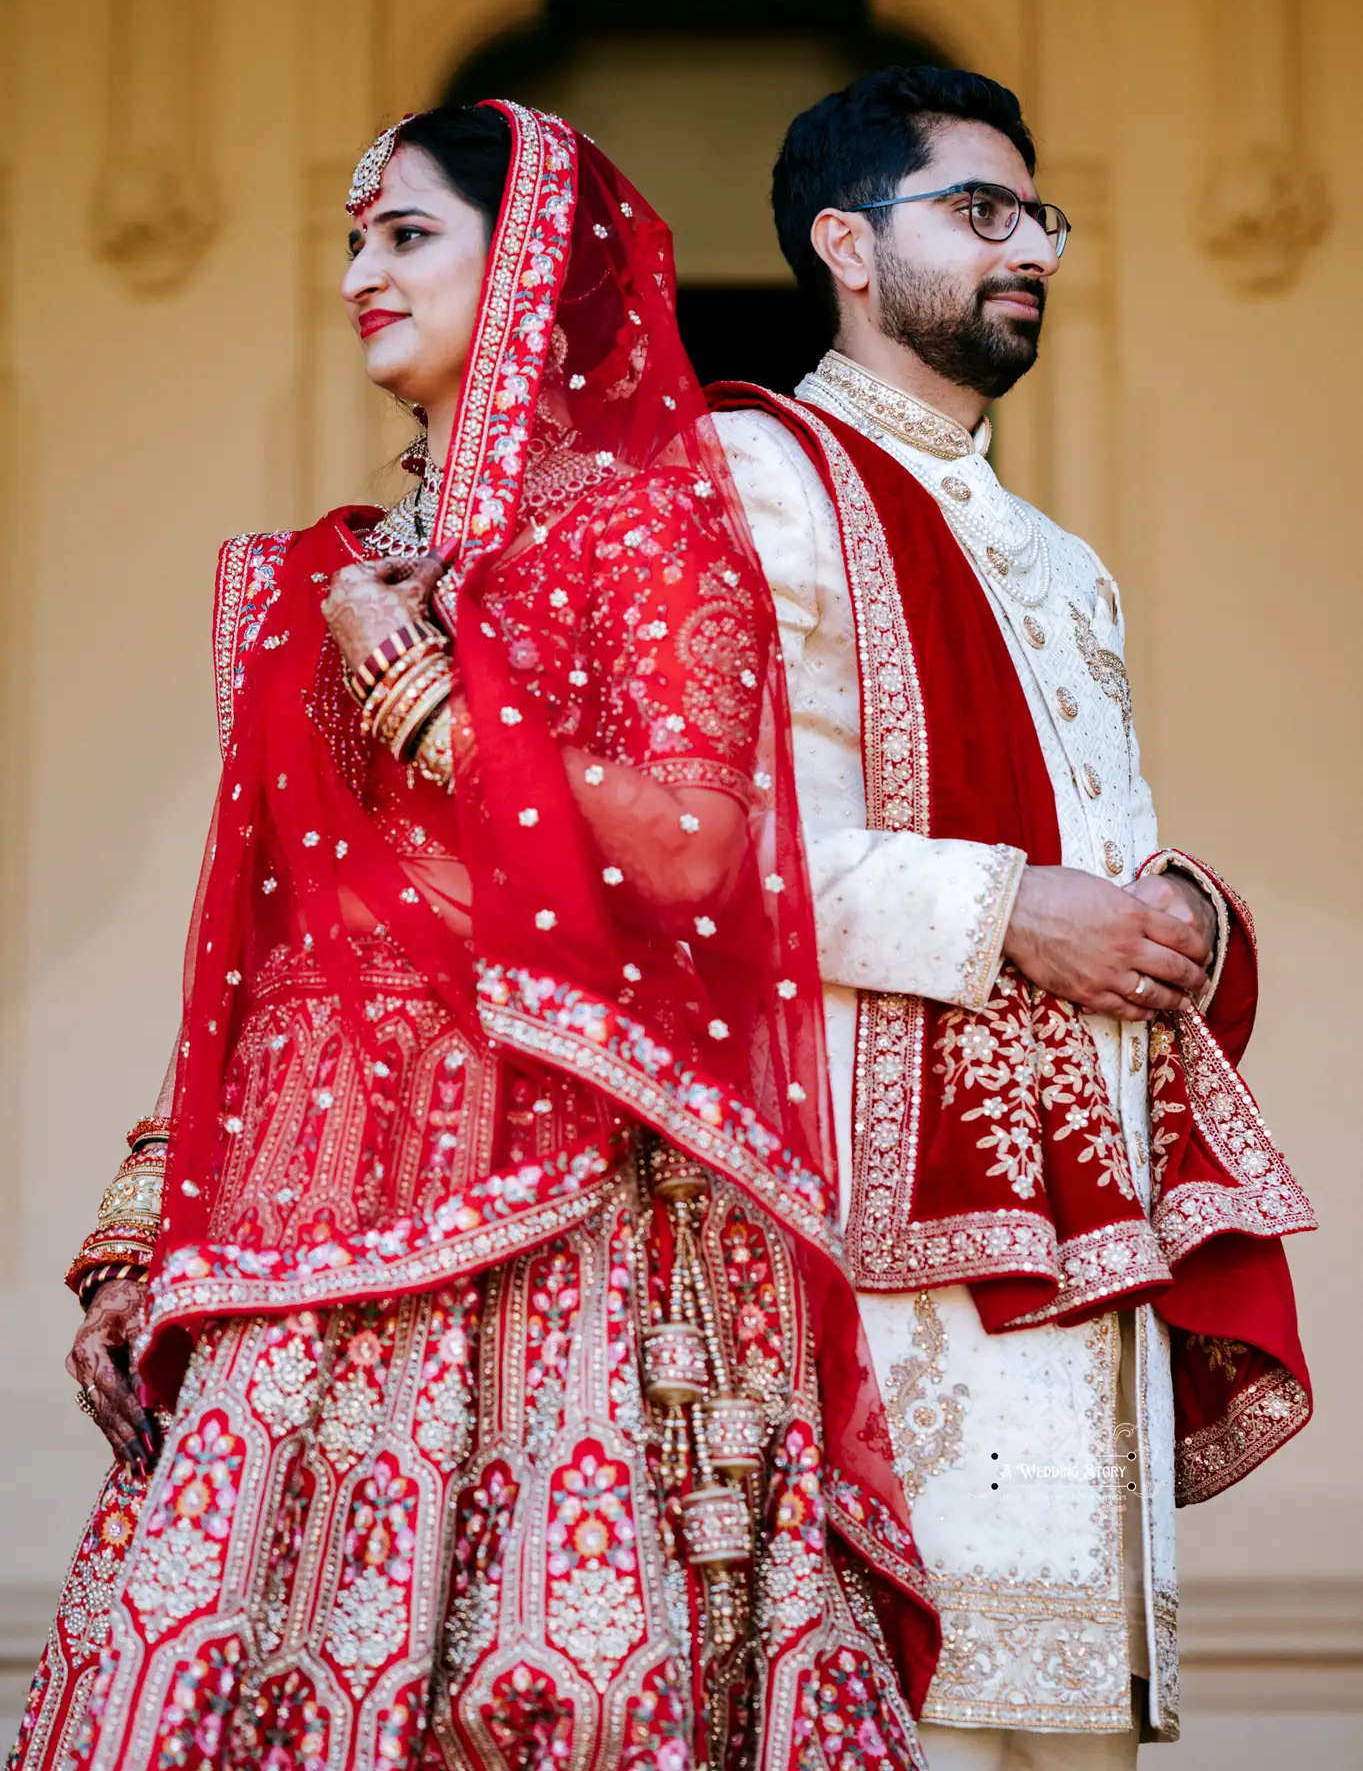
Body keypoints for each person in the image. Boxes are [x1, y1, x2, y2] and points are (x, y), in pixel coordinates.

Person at [11, 102, 940, 1771]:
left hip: (552, 1194)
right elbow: (258, 936)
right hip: (292, 1210)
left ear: (522, 266)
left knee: (552, 1689)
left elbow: (696, 849)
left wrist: (426, 695)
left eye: (406, 235)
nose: (361, 271)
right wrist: (151, 1208)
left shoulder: (643, 533)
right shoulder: (316, 576)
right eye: (351, 241)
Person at [709, 67, 1315, 1766]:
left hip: (1079, 1217)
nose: (1028, 246)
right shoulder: (752, 476)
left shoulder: (1060, 561)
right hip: (867, 1240)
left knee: (1067, 1731)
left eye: (1036, 217)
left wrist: (1175, 917)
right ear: (843, 242)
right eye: (978, 212)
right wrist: (1006, 910)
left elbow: (1096, 857)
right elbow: (701, 848)